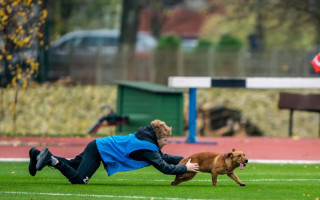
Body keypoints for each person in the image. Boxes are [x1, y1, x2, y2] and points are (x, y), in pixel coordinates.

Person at [28, 119, 199, 184]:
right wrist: (185, 168)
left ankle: (37, 155)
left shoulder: (147, 139)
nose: (166, 144)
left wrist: (186, 159)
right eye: (164, 140)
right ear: (157, 138)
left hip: (98, 145)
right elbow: (164, 167)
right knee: (79, 180)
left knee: (73, 164)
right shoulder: (147, 147)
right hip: (99, 151)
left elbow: (164, 157)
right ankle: (51, 160)